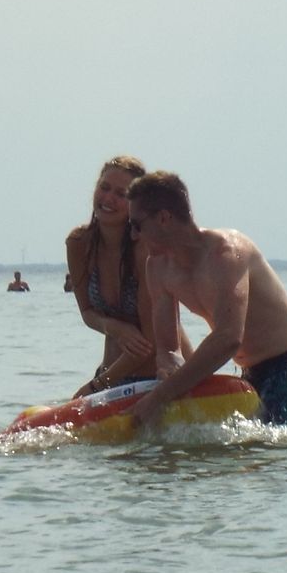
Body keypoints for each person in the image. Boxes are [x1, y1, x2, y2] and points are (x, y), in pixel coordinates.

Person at [123, 172, 287, 428]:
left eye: (136, 225)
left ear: (164, 218)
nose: (133, 235)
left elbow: (228, 338)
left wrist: (159, 397)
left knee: (262, 444)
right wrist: (168, 373)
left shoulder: (226, 254)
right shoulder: (157, 268)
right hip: (250, 372)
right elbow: (168, 349)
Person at [66, 155, 190, 395]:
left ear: (136, 204)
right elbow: (87, 312)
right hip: (111, 376)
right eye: (104, 188)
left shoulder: (146, 251)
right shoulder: (79, 243)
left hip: (164, 378)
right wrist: (113, 327)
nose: (108, 198)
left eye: (121, 194)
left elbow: (150, 342)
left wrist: (96, 386)